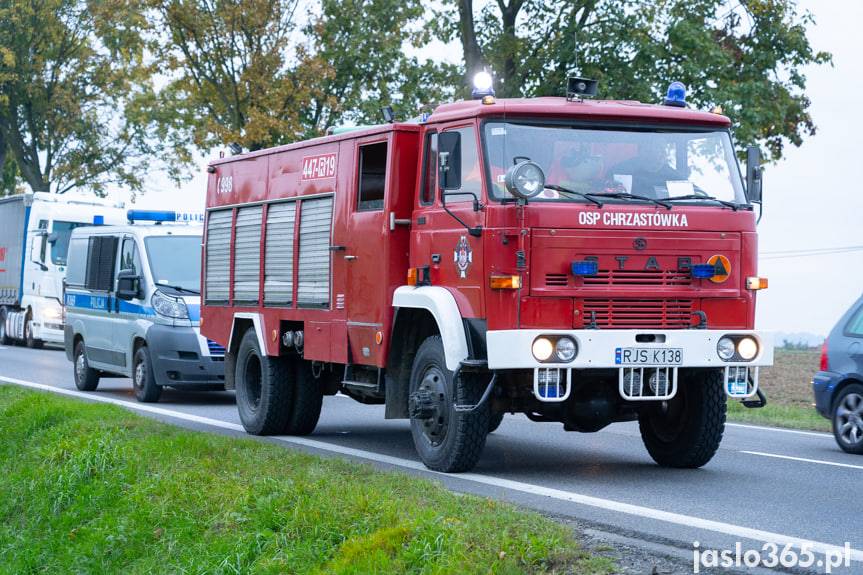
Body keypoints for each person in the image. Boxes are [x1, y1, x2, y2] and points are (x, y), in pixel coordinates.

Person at [610, 142, 679, 197]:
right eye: (650, 151)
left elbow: (684, 201)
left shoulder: (676, 178)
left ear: (665, 155)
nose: (657, 155)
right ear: (640, 152)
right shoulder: (620, 171)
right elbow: (606, 197)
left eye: (661, 151)